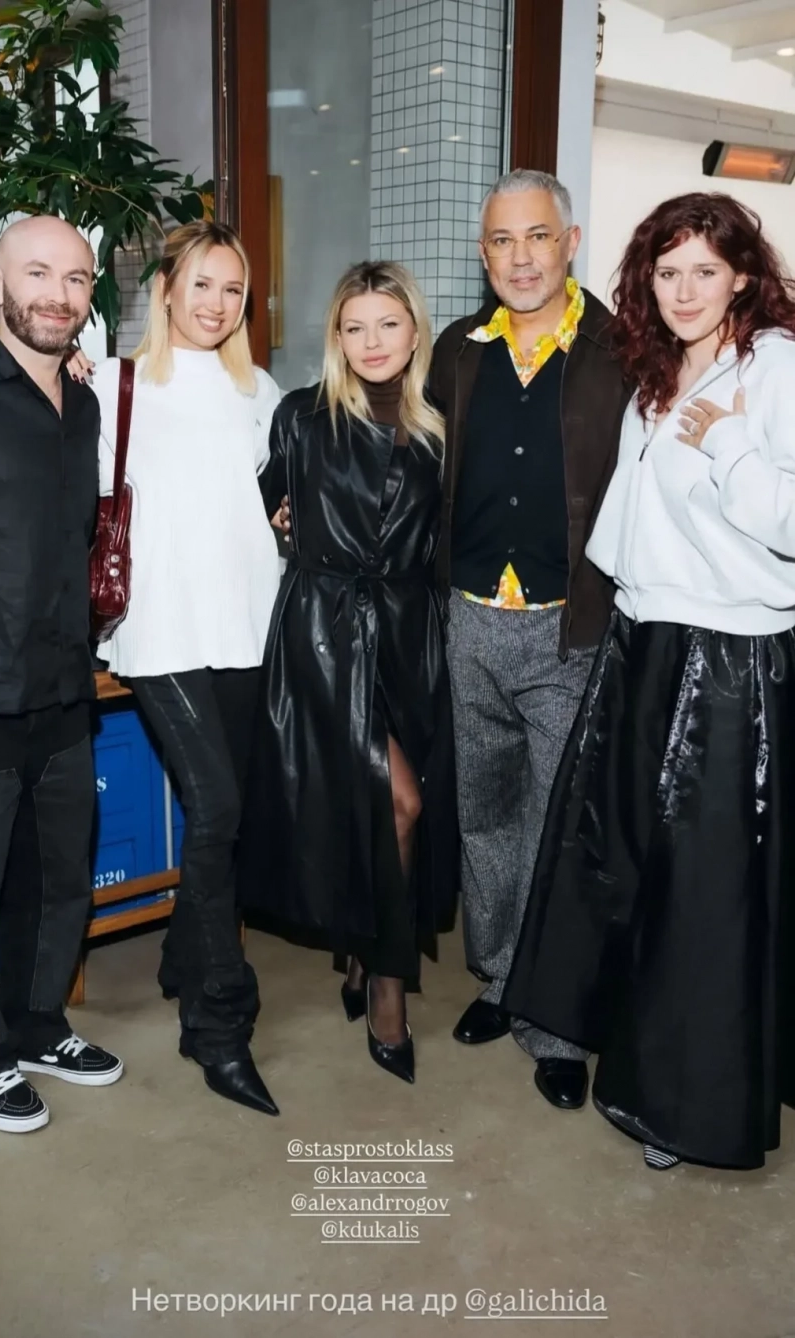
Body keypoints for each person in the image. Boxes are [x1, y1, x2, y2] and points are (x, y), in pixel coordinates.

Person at [505, 192, 795, 1171]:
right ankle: (618, 1047)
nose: (683, 290)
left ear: (743, 277)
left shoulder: (775, 368)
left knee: (701, 894)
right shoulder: (660, 369)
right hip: (644, 639)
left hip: (728, 658)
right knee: (620, 860)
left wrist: (727, 442)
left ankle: (686, 1104)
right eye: (667, 272)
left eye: (704, 271)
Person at [70, 221, 282, 1116]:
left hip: (247, 624)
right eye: (202, 284)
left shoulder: (260, 391)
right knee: (219, 807)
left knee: (225, 815)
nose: (217, 304)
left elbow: (272, 504)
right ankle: (217, 1022)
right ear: (165, 289)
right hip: (159, 630)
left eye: (233, 290)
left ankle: (180, 954)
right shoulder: (113, 386)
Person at [428, 169, 629, 1110]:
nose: (520, 258)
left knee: (557, 825)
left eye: (537, 236)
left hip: (569, 625)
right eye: (502, 241)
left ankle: (556, 1024)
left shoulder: (621, 350)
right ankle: (501, 976)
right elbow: (399, 435)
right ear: (484, 254)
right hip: (469, 615)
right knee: (484, 815)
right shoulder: (457, 350)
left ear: (570, 242)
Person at [238, 261, 458, 1084]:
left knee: (388, 807)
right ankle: (388, 992)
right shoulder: (301, 416)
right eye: (354, 327)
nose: (372, 342)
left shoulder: (439, 425)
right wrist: (284, 523)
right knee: (400, 803)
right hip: (325, 635)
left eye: (388, 324)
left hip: (408, 635)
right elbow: (263, 504)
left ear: (414, 330)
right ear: (336, 335)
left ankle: (365, 954)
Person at [0, 215, 123, 1135]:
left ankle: (38, 1025)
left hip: (62, 681)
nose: (57, 294)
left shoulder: (82, 401)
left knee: (59, 877)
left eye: (76, 278)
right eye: (37, 273)